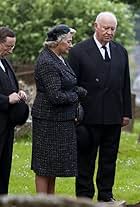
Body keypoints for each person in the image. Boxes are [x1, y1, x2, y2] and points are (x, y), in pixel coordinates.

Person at [68, 12, 132, 201]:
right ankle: (84, 198)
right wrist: (74, 113)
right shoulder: (78, 51)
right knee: (86, 160)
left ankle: (106, 196)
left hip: (114, 116)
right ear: (95, 26)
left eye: (113, 29)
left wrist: (126, 112)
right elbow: (72, 84)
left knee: (109, 159)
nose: (109, 32)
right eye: (106, 28)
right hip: (88, 118)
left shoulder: (121, 51)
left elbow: (125, 84)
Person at [31, 24, 87, 194]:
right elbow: (56, 96)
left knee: (52, 167)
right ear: (58, 42)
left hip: (60, 121)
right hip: (48, 121)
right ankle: (42, 204)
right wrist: (77, 95)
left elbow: (68, 84)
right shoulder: (47, 62)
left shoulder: (59, 58)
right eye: (69, 41)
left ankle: (51, 201)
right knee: (44, 167)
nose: (71, 45)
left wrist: (76, 90)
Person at [0, 27, 28, 194]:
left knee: (4, 166)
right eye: (8, 46)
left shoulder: (5, 62)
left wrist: (19, 93)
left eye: (13, 47)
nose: (11, 50)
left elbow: (8, 87)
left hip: (7, 125)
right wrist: (6, 100)